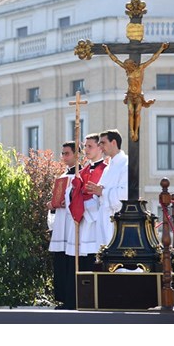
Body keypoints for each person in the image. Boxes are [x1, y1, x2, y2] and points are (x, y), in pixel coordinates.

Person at [65, 133, 107, 309]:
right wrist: (74, 197)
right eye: (85, 146)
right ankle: (80, 301)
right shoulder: (80, 172)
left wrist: (87, 204)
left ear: (100, 147)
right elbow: (73, 195)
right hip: (82, 224)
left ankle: (98, 302)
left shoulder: (107, 170)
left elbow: (106, 197)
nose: (86, 150)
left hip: (97, 224)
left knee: (95, 261)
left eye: (89, 146)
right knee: (81, 262)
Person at [103, 43, 168, 141]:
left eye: (128, 65)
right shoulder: (128, 71)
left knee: (137, 112)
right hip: (130, 95)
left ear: (132, 65)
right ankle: (131, 131)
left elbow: (152, 59)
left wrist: (161, 48)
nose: (127, 67)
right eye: (126, 66)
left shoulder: (140, 68)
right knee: (130, 112)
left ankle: (136, 131)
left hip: (138, 96)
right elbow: (115, 60)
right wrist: (107, 50)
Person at [46, 141, 77, 309]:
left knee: (71, 262)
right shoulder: (63, 176)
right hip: (61, 224)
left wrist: (68, 202)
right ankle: (63, 298)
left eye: (67, 153)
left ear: (76, 155)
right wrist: (52, 206)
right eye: (62, 153)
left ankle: (72, 300)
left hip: (73, 225)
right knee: (60, 261)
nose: (64, 157)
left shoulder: (80, 176)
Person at [86, 129, 129, 248]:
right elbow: (101, 193)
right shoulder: (108, 167)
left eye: (103, 143)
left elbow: (125, 193)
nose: (100, 146)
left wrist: (102, 191)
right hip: (105, 219)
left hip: (118, 220)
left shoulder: (125, 164)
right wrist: (97, 191)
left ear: (114, 143)